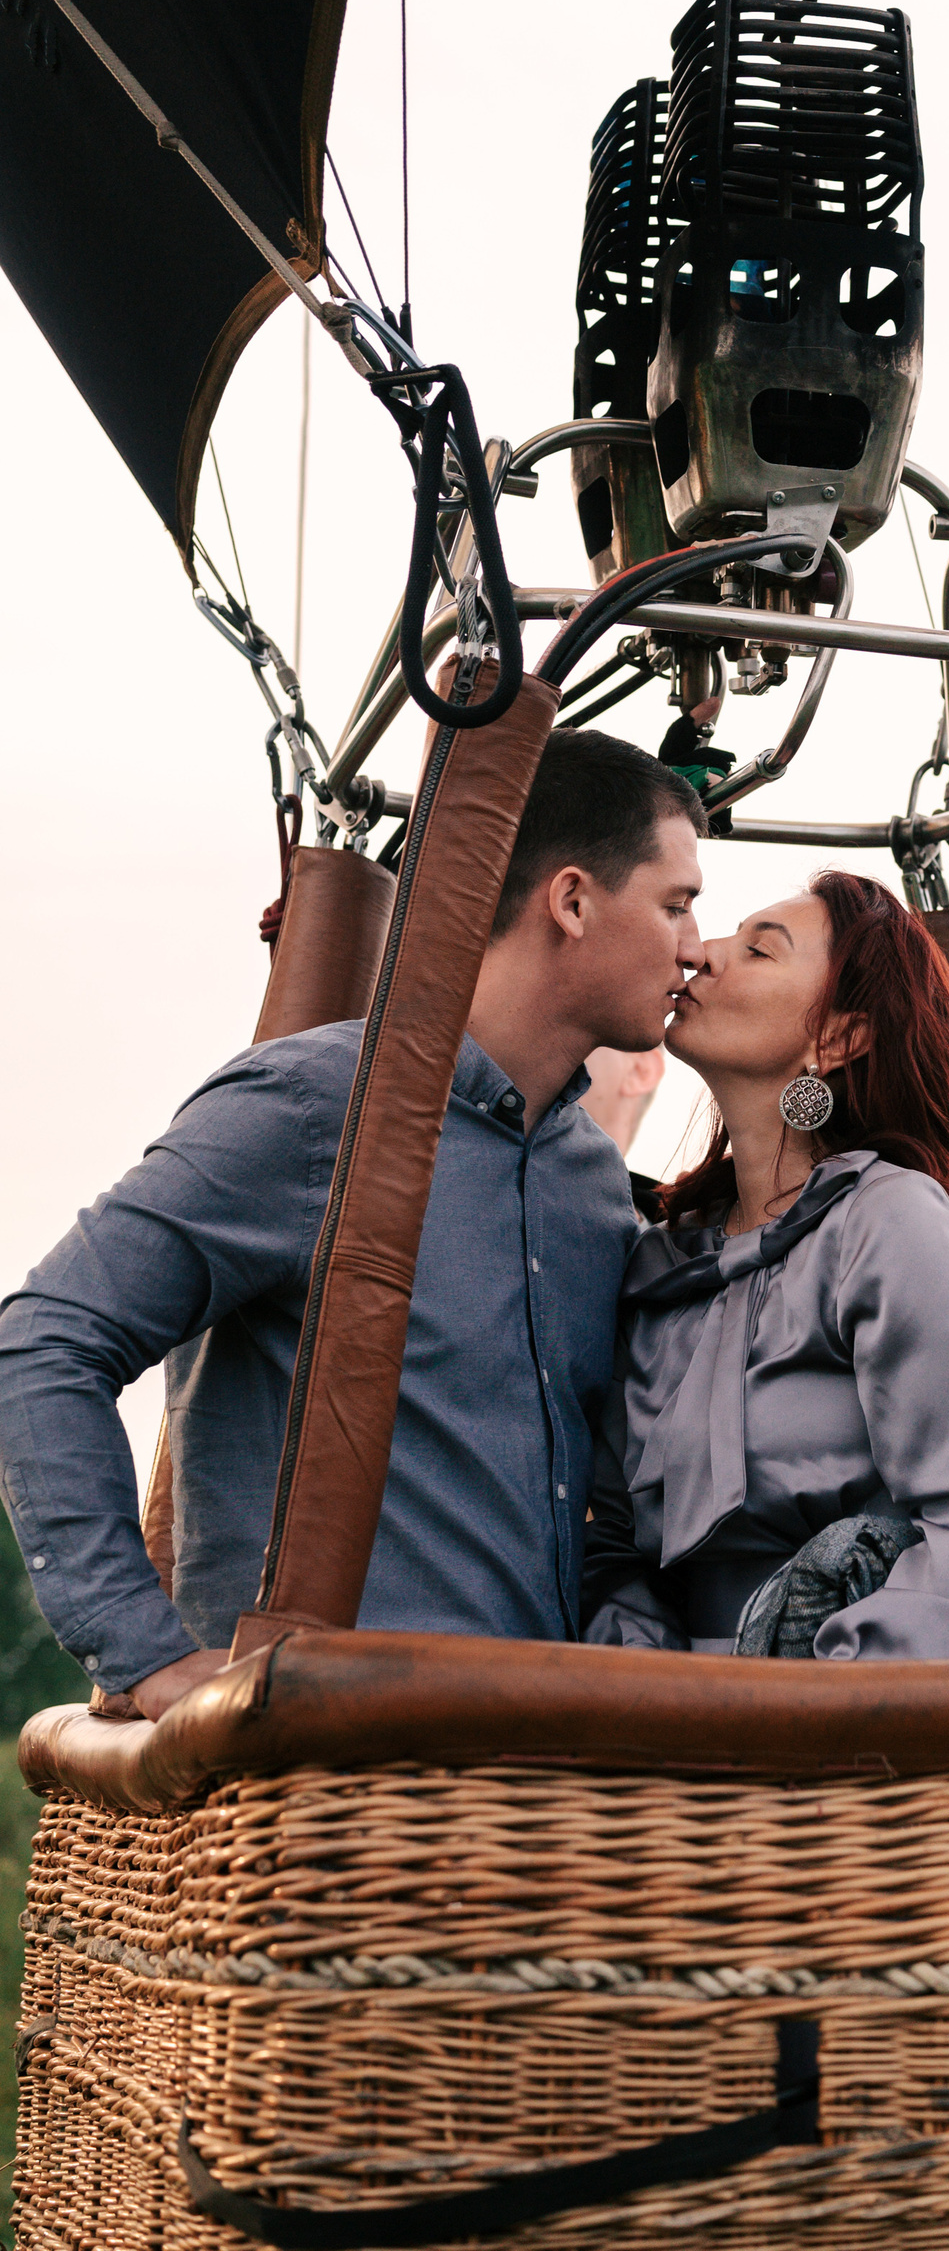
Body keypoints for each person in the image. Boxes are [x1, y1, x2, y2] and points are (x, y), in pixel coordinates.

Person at [0, 730, 706, 1721]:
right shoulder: (311, 1107)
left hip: (526, 1773)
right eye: (676, 904)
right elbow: (44, 1339)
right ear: (573, 901)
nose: (695, 945)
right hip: (321, 1777)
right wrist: (143, 1653)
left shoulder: (591, 1186)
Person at [584, 870, 949, 1660]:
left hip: (855, 1699)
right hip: (674, 1716)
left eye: (758, 950)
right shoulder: (662, 1261)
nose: (702, 953)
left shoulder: (889, 1223)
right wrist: (648, 1686)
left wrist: (832, 1695)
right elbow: (609, 1544)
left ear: (838, 1039)